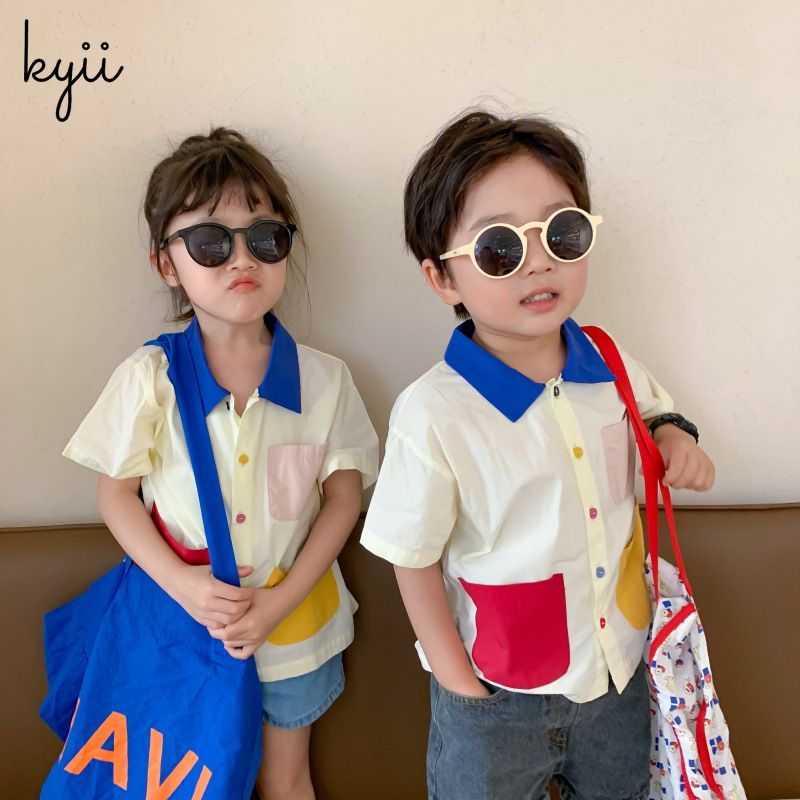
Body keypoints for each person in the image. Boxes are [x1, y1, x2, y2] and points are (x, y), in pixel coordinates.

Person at [361, 110, 715, 800]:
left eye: (562, 232)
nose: (540, 261)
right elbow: (411, 555)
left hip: (617, 670)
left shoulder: (608, 360)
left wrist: (676, 438)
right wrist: (457, 682)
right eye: (499, 247)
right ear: (442, 278)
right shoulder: (433, 412)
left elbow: (653, 411)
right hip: (496, 693)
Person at [63, 127, 379, 800]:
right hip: (180, 633)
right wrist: (183, 585)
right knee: (189, 781)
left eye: (265, 237)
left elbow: (344, 500)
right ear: (166, 264)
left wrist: (279, 603)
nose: (242, 258)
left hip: (296, 632)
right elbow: (115, 496)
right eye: (211, 241)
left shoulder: (326, 381)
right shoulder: (149, 378)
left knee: (285, 778)